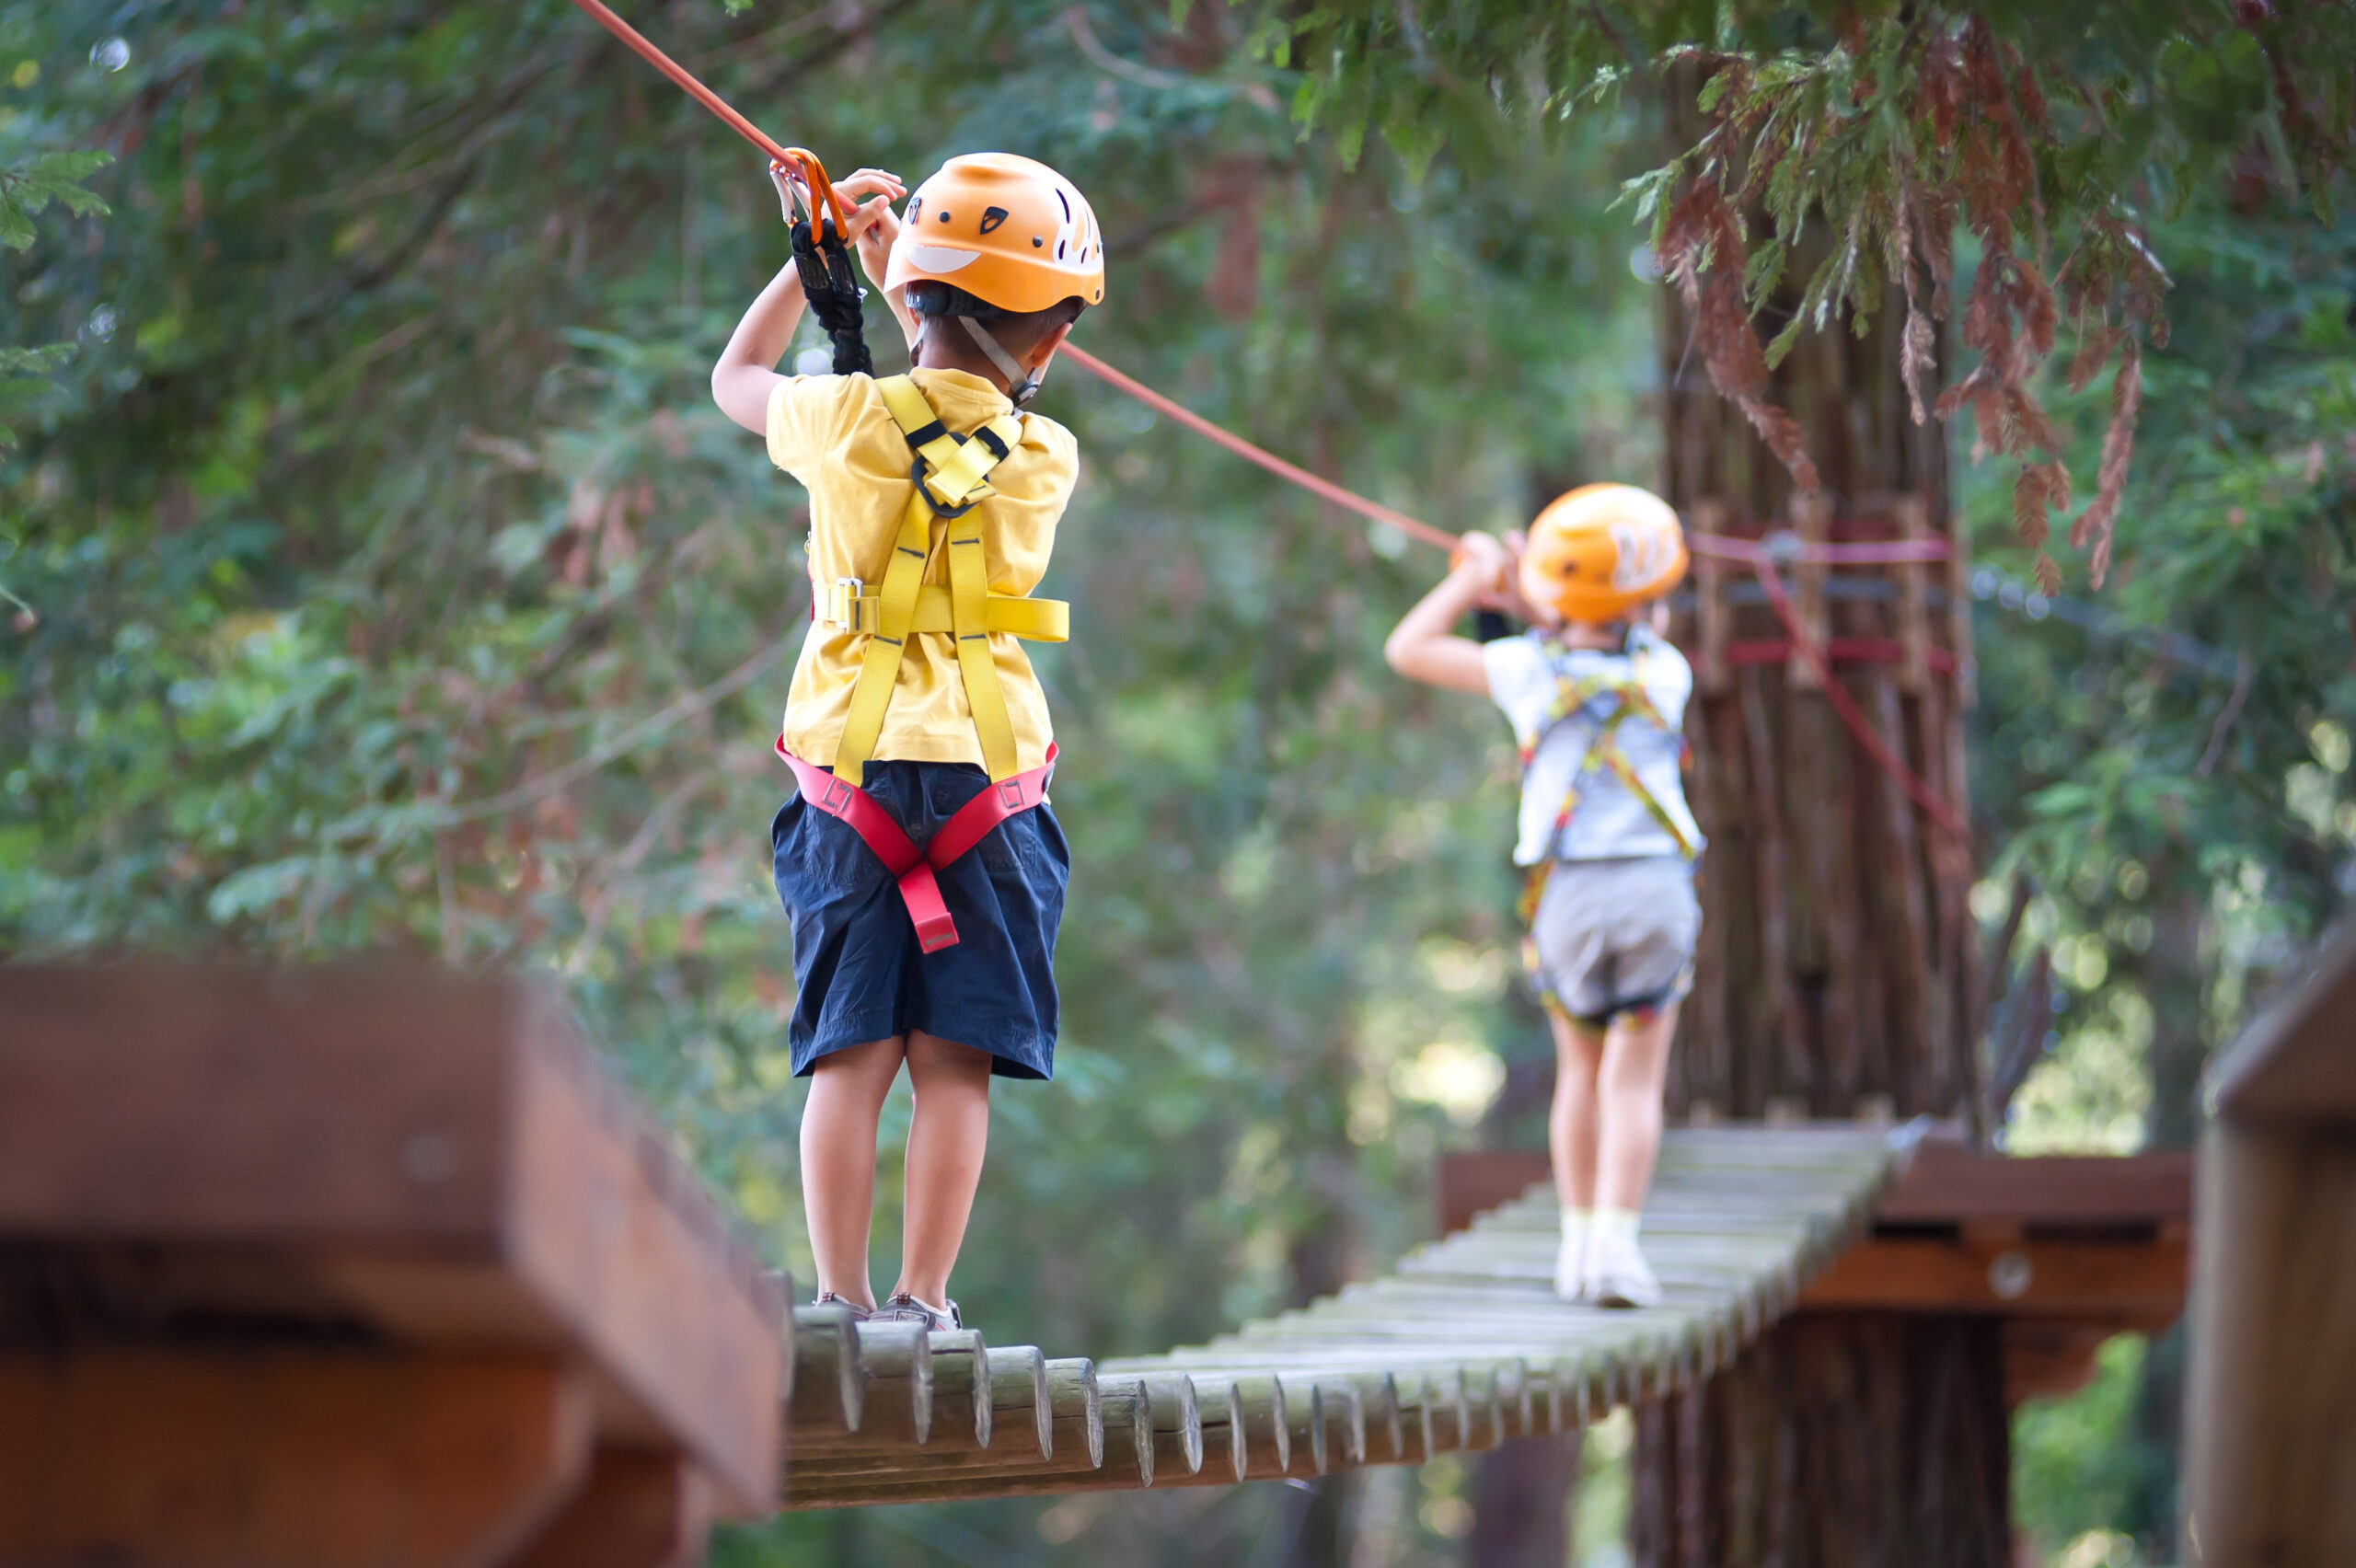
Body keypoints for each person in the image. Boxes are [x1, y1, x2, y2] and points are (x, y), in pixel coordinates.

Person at [710, 153, 1106, 1332]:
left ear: (922, 298)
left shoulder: (838, 422)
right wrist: (898, 277)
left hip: (853, 780)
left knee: (851, 1057)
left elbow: (734, 376)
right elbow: (974, 401)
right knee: (955, 1065)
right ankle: (923, 1300)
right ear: (1052, 341)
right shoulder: (1046, 457)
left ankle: (835, 1296)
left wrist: (810, 257)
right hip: (991, 784)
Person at [1382, 486, 1701, 1309]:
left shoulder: (1524, 671)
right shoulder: (1668, 672)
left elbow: (1410, 647)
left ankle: (1574, 1248)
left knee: (1579, 1075)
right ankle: (1618, 1250)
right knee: (1633, 1082)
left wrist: (1476, 577)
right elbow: (1605, 610)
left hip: (1567, 897)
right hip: (1655, 892)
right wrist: (1533, 579)